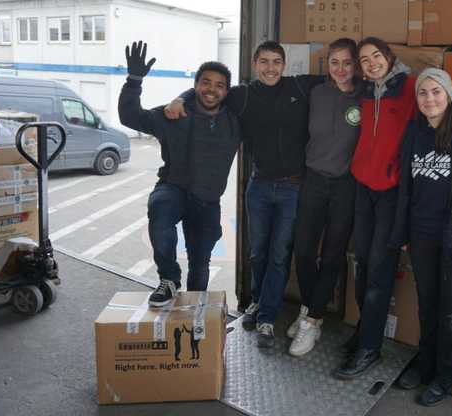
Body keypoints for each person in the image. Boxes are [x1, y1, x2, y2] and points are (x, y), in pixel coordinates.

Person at [165, 41, 322, 348]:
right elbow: (205, 93)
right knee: (257, 252)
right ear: (254, 63)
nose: (270, 68)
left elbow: (337, 82)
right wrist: (178, 98)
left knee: (279, 255)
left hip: (292, 187)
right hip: (259, 186)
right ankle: (257, 303)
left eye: (276, 61)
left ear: (284, 64)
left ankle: (266, 317)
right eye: (264, 61)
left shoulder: (300, 88)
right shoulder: (243, 95)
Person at [389, 68, 452, 406]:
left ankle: (446, 376)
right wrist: (402, 230)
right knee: (428, 305)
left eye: (436, 92)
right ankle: (425, 363)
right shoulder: (415, 131)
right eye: (423, 93)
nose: (429, 99)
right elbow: (406, 186)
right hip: (421, 235)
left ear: (449, 94)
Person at [118, 41, 241, 307]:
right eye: (205, 83)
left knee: (201, 263)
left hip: (207, 200)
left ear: (227, 91)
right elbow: (130, 117)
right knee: (160, 211)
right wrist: (134, 80)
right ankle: (169, 279)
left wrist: (182, 94)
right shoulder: (173, 114)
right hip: (173, 187)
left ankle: (195, 308)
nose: (212, 89)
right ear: (196, 85)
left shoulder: (235, 121)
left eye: (220, 85)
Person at [334, 37, 417, 379]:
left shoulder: (411, 87)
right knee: (363, 264)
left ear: (389, 57)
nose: (370, 63)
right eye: (364, 59)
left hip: (392, 193)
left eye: (376, 56)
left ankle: (370, 347)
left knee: (380, 271)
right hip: (363, 188)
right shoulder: (365, 92)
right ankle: (364, 330)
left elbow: (442, 103)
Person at [286, 38, 364, 357]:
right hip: (314, 180)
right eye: (335, 62)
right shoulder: (315, 92)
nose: (341, 69)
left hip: (346, 185)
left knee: (332, 255)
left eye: (347, 63)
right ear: (327, 64)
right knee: (303, 250)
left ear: (356, 66)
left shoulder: (367, 96)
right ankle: (309, 308)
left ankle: (313, 320)